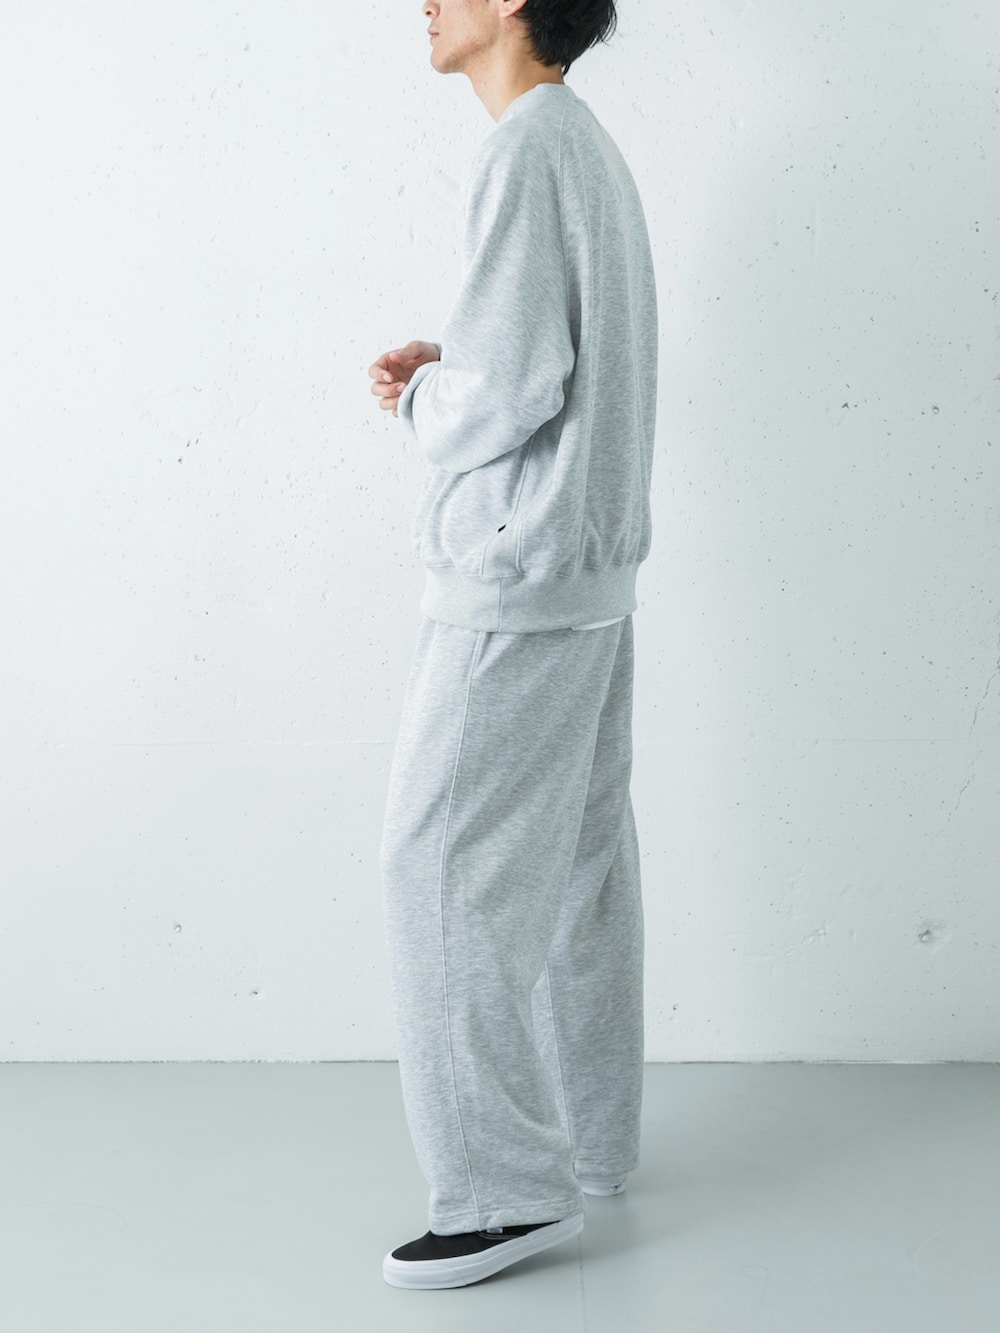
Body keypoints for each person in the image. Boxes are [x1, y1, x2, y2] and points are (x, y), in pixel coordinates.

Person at [367, 0, 657, 1291]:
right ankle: (591, 1141)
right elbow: (555, 359)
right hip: (591, 579)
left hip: (517, 585)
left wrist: (431, 391)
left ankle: (502, 1192)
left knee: (435, 864)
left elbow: (508, 390)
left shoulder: (524, 151)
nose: (423, 3)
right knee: (580, 870)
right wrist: (467, 359)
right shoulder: (582, 148)